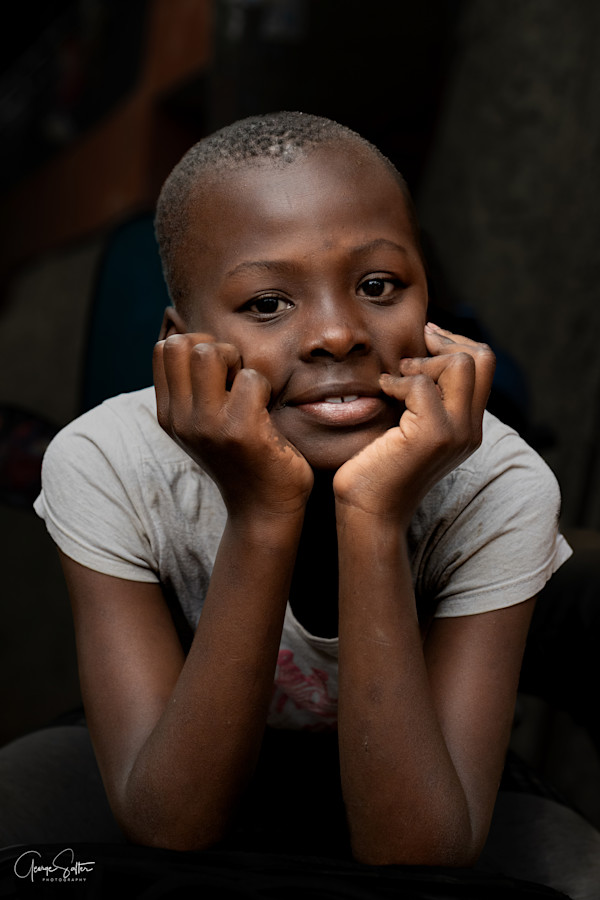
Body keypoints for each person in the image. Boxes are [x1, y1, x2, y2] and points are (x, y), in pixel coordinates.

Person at [1, 112, 593, 895]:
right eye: (268, 304)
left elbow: (418, 848)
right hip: (178, 744)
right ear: (182, 343)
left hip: (418, 765)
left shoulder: (498, 483)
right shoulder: (110, 460)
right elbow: (170, 821)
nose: (339, 334)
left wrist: (375, 519)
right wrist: (261, 513)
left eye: (378, 286)